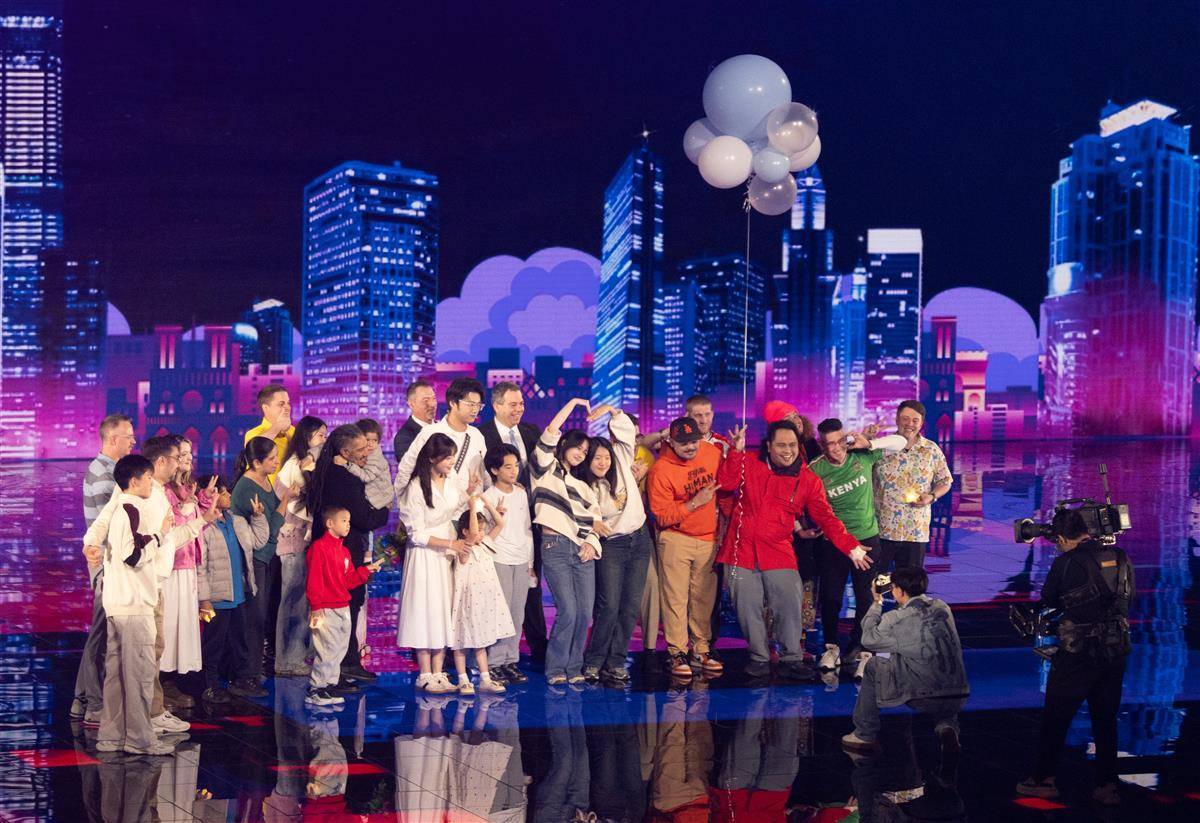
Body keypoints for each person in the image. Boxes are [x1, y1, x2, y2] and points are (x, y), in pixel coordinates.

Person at [84, 435, 216, 736]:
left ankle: (137, 721)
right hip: (139, 588)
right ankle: (140, 725)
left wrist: (199, 522)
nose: (180, 465)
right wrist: (90, 543)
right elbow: (118, 530)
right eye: (176, 459)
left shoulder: (156, 494)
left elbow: (167, 539)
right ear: (161, 461)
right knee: (138, 660)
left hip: (152, 583)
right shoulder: (133, 497)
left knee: (148, 655)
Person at [717, 421, 866, 681]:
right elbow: (726, 484)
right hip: (740, 551)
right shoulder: (748, 462)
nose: (788, 451)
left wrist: (850, 546)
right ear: (769, 446)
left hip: (778, 551)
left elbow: (826, 517)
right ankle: (759, 657)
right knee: (747, 608)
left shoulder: (808, 479)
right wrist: (736, 452)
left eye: (793, 445)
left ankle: (791, 659)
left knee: (788, 603)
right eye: (781, 445)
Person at [1016, 509, 1133, 807]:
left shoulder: (1066, 563)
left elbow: (1049, 600)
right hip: (1116, 648)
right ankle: (1107, 786)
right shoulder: (1120, 556)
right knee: (1105, 720)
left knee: (1056, 717)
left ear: (1061, 538)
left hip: (1078, 652)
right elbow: (1128, 597)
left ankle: (1044, 780)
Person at [808, 418, 907, 678]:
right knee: (831, 597)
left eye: (839, 442)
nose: (835, 449)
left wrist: (870, 443)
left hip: (868, 539)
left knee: (867, 597)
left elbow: (901, 442)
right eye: (828, 444)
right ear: (821, 444)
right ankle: (831, 648)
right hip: (834, 543)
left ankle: (863, 649)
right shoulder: (815, 469)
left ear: (846, 439)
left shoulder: (862, 456)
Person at [95, 454, 177, 757]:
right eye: (148, 477)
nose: (152, 483)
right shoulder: (132, 509)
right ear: (134, 481)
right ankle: (140, 740)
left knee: (116, 678)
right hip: (134, 604)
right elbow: (133, 555)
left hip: (118, 603)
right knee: (139, 676)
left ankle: (111, 737)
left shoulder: (119, 509)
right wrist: (159, 535)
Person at [841, 567, 969, 758]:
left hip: (923, 697)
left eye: (893, 587)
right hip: (959, 695)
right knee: (931, 662)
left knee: (874, 664)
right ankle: (947, 726)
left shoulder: (896, 618)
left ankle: (864, 734)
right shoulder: (942, 607)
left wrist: (876, 603)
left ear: (899, 590)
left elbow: (868, 640)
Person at [305, 424, 391, 685]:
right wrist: (385, 510)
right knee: (344, 609)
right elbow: (363, 519)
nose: (367, 452)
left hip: (332, 549)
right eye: (361, 449)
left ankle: (346, 663)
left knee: (346, 607)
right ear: (345, 452)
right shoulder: (345, 478)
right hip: (342, 551)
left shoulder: (326, 471)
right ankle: (338, 670)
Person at [529, 397, 605, 685]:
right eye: (578, 448)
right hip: (556, 547)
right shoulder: (544, 470)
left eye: (586, 451)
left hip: (583, 551)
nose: (581, 454)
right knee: (568, 611)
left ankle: (575, 667)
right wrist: (573, 403)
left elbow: (596, 522)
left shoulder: (584, 487)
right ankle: (556, 669)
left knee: (584, 613)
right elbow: (550, 431)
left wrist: (591, 543)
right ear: (564, 445)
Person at [647, 416, 724, 680]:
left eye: (694, 441)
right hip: (675, 538)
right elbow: (662, 516)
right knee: (676, 599)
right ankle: (677, 652)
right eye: (684, 443)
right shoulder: (661, 470)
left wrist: (737, 451)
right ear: (671, 441)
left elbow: (729, 481)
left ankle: (701, 649)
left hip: (708, 537)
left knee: (703, 598)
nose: (690, 447)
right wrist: (695, 503)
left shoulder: (711, 453)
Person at [579, 404, 650, 685]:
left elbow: (626, 431)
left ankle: (616, 662)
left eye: (605, 456)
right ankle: (594, 661)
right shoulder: (586, 487)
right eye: (596, 458)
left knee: (630, 607)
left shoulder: (621, 458)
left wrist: (611, 410)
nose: (602, 462)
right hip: (612, 546)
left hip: (639, 540)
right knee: (608, 606)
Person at [479, 380, 548, 667]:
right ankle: (495, 660)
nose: (519, 408)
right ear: (496, 406)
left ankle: (533, 649)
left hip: (529, 519)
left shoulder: (531, 432)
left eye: (521, 403)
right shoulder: (482, 435)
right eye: (512, 404)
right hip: (496, 520)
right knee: (501, 599)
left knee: (530, 588)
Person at [396, 432, 471, 694]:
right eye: (446, 457)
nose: (451, 462)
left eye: (452, 457)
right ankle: (424, 673)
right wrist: (450, 544)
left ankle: (439, 672)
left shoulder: (450, 481)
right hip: (425, 556)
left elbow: (456, 508)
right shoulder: (416, 487)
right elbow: (416, 534)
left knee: (443, 609)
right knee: (424, 609)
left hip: (446, 554)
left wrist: (470, 494)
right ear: (431, 458)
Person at [73, 413, 136, 727]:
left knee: (100, 632)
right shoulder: (105, 475)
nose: (133, 441)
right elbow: (108, 527)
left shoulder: (106, 470)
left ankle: (81, 698)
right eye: (129, 436)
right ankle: (94, 704)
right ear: (113, 439)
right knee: (100, 634)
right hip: (106, 565)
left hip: (106, 562)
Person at [196, 474, 269, 705]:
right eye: (223, 492)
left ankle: (241, 680)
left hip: (239, 594)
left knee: (240, 641)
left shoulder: (236, 521)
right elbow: (200, 566)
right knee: (214, 644)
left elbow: (258, 541)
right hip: (217, 597)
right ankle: (210, 685)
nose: (228, 496)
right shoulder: (204, 526)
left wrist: (258, 518)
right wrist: (204, 599)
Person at [305, 505, 385, 707]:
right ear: (330, 523)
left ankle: (329, 685)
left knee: (340, 648)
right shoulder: (319, 548)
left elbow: (348, 580)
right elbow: (314, 580)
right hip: (325, 608)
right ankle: (316, 688)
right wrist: (316, 607)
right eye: (344, 520)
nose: (348, 525)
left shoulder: (344, 551)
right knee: (326, 648)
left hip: (343, 606)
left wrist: (366, 571)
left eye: (349, 521)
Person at [230, 436, 291, 695]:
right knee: (253, 618)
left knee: (263, 615)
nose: (277, 462)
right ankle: (246, 677)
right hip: (254, 560)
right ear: (256, 462)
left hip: (267, 557)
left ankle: (254, 672)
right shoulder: (247, 488)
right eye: (272, 458)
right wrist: (286, 500)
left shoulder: (264, 481)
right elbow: (269, 530)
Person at [273, 415, 327, 678]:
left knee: (304, 600)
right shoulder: (295, 465)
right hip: (295, 538)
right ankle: (287, 659)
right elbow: (299, 502)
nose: (324, 440)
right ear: (307, 437)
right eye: (320, 435)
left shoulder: (309, 464)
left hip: (305, 538)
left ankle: (300, 654)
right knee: (293, 600)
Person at [872, 400, 952, 571]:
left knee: (910, 582)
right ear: (896, 419)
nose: (910, 424)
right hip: (883, 529)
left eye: (915, 420)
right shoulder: (882, 447)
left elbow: (945, 481)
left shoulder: (931, 450)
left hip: (916, 531)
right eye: (905, 419)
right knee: (879, 581)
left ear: (921, 423)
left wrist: (931, 496)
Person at [448, 495, 513, 695]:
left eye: (484, 529)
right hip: (467, 603)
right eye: (478, 529)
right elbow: (473, 532)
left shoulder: (484, 545)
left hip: (484, 603)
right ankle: (463, 680)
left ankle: (485, 679)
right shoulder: (464, 548)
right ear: (465, 531)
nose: (481, 533)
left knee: (481, 643)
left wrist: (487, 503)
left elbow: (500, 523)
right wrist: (472, 507)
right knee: (461, 642)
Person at [160, 435, 207, 710]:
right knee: (169, 625)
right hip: (171, 566)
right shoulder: (164, 491)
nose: (188, 458)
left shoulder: (188, 488)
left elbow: (199, 526)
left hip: (188, 563)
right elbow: (169, 530)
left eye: (190, 453)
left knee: (183, 626)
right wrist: (187, 509)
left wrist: (203, 503)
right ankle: (162, 682)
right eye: (182, 454)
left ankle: (175, 681)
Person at [481, 444, 534, 685]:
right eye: (507, 467)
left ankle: (511, 660)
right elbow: (483, 534)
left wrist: (530, 561)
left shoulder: (521, 494)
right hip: (498, 558)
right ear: (494, 470)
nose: (514, 471)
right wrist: (495, 517)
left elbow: (526, 528)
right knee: (499, 613)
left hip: (520, 558)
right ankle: (494, 663)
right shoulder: (488, 497)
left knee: (517, 612)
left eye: (516, 466)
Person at [395, 377, 488, 495]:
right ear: (453, 403)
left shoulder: (477, 435)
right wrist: (404, 500)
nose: (475, 410)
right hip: (439, 504)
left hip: (472, 503)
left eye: (478, 405)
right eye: (471, 404)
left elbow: (484, 474)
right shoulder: (429, 433)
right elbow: (407, 469)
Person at [243, 384, 294, 485]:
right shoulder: (253, 434)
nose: (287, 407)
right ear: (266, 408)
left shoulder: (293, 431)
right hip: (263, 492)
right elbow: (257, 447)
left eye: (288, 403)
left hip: (291, 492)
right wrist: (278, 426)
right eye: (281, 404)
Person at [347, 418, 394, 510]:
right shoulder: (361, 453)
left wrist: (347, 465)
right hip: (374, 501)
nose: (371, 444)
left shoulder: (375, 457)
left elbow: (367, 477)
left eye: (375, 440)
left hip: (379, 504)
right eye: (367, 440)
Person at [393, 378, 438, 460]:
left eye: (434, 399)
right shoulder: (403, 438)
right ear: (411, 404)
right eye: (425, 400)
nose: (432, 404)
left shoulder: (443, 428)